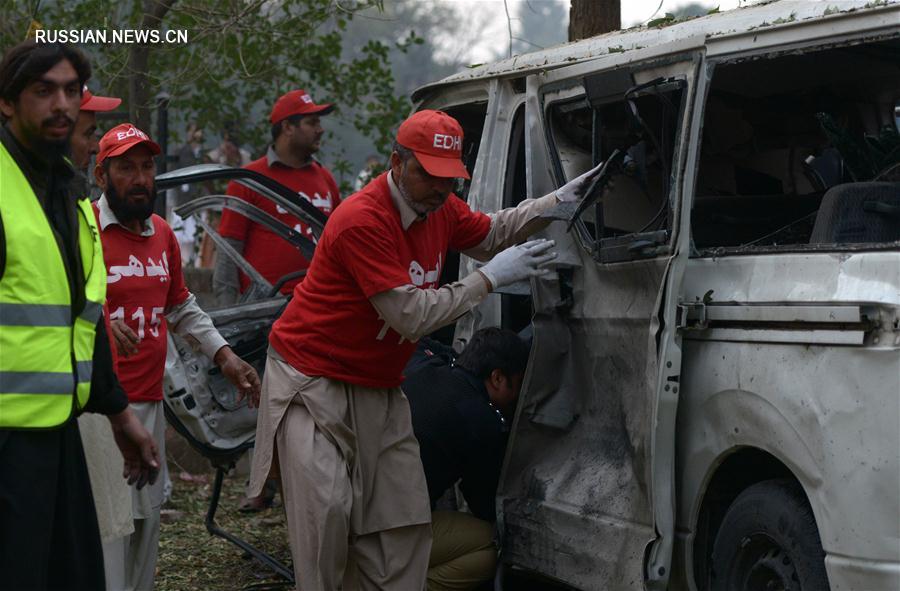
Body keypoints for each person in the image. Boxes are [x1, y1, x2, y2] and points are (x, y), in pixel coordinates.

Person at [248, 108, 605, 590]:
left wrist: (556, 202)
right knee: (327, 516)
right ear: (397, 163)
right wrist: (490, 278)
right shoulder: (362, 219)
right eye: (429, 175)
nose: (441, 189)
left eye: (450, 179)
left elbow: (492, 232)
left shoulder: (441, 207)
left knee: (400, 524)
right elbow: (411, 315)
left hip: (378, 384)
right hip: (313, 380)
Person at [0, 40, 159, 590]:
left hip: (57, 432)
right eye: (43, 91)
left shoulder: (66, 192)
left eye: (71, 91)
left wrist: (119, 414)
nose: (62, 105)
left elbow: (79, 321)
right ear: (7, 103)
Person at [92, 122, 263, 590]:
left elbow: (181, 306)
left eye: (147, 166)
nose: (141, 177)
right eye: (126, 167)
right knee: (109, 531)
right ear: (101, 175)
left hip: (150, 404)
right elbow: (64, 302)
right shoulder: (83, 230)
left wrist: (225, 356)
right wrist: (100, 323)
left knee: (146, 525)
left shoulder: (163, 234)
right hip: (98, 409)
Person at [69, 85, 140, 589]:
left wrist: (114, 407)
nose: (93, 140)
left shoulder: (68, 202)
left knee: (100, 527)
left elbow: (85, 309)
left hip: (79, 396)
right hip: (34, 408)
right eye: (89, 128)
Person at [404, 328, 529, 591]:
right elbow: (482, 503)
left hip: (349, 514)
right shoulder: (481, 421)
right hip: (388, 532)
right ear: (497, 377)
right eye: (517, 386)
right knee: (491, 545)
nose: (517, 398)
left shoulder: (422, 365)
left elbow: (422, 342)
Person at [214, 89, 341, 303]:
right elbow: (228, 253)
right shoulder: (249, 179)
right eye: (312, 123)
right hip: (263, 314)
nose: (320, 130)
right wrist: (226, 321)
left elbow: (339, 246)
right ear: (288, 127)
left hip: (318, 310)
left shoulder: (326, 178)